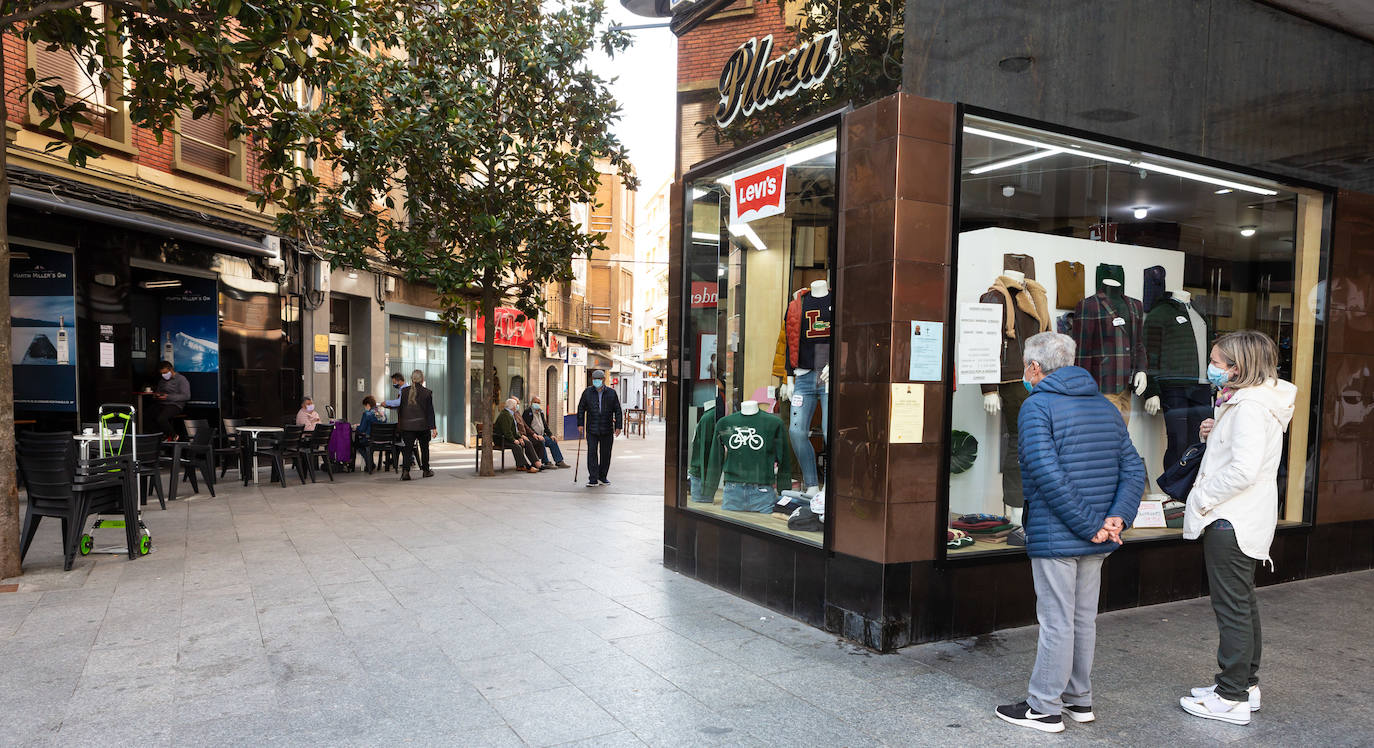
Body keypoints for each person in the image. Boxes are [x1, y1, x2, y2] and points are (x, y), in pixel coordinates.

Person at [995, 332, 1144, 734]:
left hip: (1060, 533)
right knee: (1082, 620)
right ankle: (1080, 700)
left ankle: (1044, 707)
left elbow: (1045, 473)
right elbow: (1133, 468)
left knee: (1057, 621)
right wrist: (1116, 520)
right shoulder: (1105, 405)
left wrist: (1093, 525)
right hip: (1097, 537)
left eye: (1025, 366)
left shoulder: (1036, 405)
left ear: (1033, 367)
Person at [1178, 331, 1295, 726]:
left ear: (1237, 368)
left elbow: (1243, 470)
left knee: (1232, 609)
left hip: (1231, 517)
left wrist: (1202, 496)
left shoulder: (1248, 407)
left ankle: (1231, 697)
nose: (1210, 367)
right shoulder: (1248, 402)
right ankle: (1244, 685)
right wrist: (1212, 435)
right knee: (1243, 604)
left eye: (1216, 361)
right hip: (1245, 515)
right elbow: (1242, 455)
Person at [577, 369, 622, 487]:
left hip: (607, 429)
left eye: (599, 379)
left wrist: (618, 426)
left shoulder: (611, 393)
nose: (596, 381)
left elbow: (617, 410)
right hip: (592, 428)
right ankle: (593, 478)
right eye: (594, 379)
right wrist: (580, 424)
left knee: (605, 454)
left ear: (604, 380)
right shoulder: (587, 392)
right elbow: (581, 408)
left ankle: (602, 477)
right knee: (592, 453)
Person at [395, 369, 436, 481]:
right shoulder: (427, 392)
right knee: (424, 448)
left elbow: (400, 409)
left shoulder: (404, 392)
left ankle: (405, 472)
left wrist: (401, 424)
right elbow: (430, 412)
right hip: (422, 426)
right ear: (422, 379)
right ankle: (426, 471)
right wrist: (433, 427)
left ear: (411, 379)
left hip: (407, 426)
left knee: (407, 449)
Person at [493, 397, 541, 472]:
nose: (517, 407)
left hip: (507, 437)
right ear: (512, 407)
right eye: (516, 405)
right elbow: (507, 431)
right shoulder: (505, 415)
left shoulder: (510, 414)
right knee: (517, 446)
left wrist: (519, 437)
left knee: (527, 443)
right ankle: (526, 466)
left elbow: (514, 430)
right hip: (501, 438)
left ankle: (536, 463)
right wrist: (514, 440)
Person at [523, 396, 570, 468]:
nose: (537, 404)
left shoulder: (540, 412)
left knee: (552, 441)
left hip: (542, 435)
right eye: (535, 402)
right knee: (542, 441)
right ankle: (546, 462)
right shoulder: (527, 412)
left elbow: (545, 425)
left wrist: (551, 435)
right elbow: (527, 426)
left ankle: (559, 461)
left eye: (538, 403)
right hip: (533, 436)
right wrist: (535, 434)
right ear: (531, 403)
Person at [153, 360, 191, 440]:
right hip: (162, 403)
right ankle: (159, 437)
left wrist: (168, 397)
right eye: (162, 373)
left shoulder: (181, 379)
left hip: (175, 405)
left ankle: (173, 436)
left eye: (165, 372)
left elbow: (186, 396)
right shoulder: (162, 381)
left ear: (171, 369)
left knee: (161, 418)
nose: (164, 375)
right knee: (148, 415)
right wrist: (157, 395)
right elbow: (158, 391)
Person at [511, 399, 548, 470]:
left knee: (539, 441)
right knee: (528, 443)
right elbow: (513, 429)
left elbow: (525, 426)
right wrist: (520, 436)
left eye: (518, 403)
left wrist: (534, 434)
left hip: (524, 435)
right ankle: (533, 463)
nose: (518, 405)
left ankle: (535, 461)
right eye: (517, 404)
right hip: (517, 436)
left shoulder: (517, 413)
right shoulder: (511, 414)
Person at [354, 395, 381, 474]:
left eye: (365, 406)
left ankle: (370, 463)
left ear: (368, 405)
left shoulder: (367, 414)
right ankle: (370, 463)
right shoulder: (382, 414)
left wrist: (356, 427)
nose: (365, 408)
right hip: (382, 440)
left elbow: (361, 429)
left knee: (357, 444)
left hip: (370, 440)